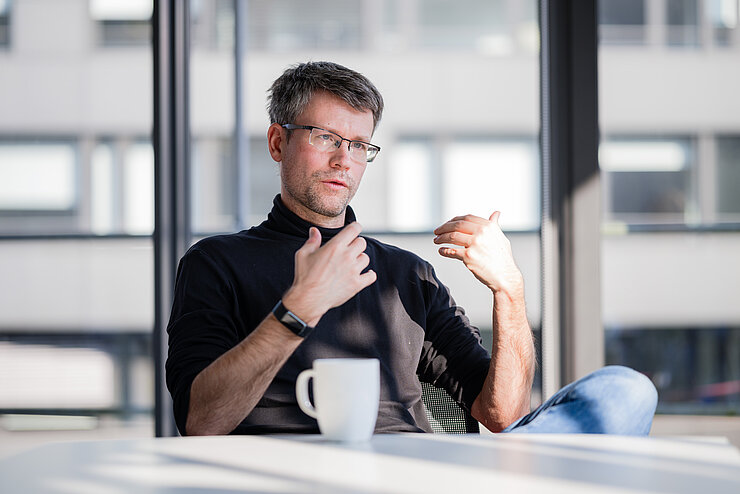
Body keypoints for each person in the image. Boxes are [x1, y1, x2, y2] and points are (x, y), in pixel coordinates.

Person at [166, 61, 657, 436]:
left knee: (623, 391)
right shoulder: (216, 262)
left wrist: (510, 291)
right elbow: (201, 422)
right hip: (288, 474)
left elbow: (504, 414)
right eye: (325, 137)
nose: (344, 159)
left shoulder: (407, 274)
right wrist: (299, 308)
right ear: (278, 142)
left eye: (359, 145)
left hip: (417, 471)